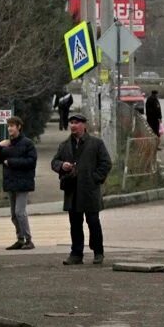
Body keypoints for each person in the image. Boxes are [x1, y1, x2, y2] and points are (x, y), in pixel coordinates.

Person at [51, 113, 112, 265]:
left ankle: (98, 252)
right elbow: (54, 162)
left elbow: (106, 163)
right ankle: (76, 254)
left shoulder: (96, 143)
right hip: (72, 190)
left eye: (76, 122)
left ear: (84, 125)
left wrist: (95, 178)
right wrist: (62, 166)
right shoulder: (65, 145)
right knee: (75, 224)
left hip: (89, 190)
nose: (73, 125)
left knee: (93, 221)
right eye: (71, 122)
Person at [0, 116, 37, 250]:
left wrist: (11, 162)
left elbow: (31, 162)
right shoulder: (7, 144)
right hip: (11, 182)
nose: (10, 128)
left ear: (19, 127)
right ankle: (20, 239)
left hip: (23, 183)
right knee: (14, 214)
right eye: (9, 126)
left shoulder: (27, 143)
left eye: (12, 126)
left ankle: (29, 240)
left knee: (20, 212)